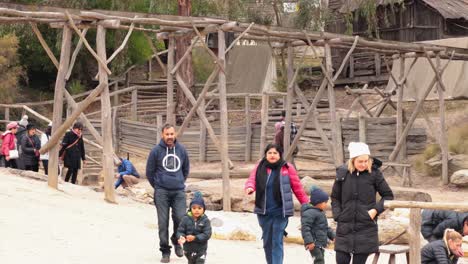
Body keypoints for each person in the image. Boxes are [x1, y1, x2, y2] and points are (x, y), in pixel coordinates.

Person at [245, 143, 308, 264]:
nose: (272, 155)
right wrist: (249, 187)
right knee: (267, 241)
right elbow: (252, 179)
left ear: (280, 155)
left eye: (275, 153)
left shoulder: (287, 168)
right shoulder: (260, 166)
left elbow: (298, 188)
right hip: (264, 211)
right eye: (270, 153)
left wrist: (306, 204)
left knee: (277, 239)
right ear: (266, 154)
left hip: (281, 211)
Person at [331, 142, 394, 264]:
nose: (364, 164)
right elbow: (335, 197)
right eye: (360, 161)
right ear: (353, 160)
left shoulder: (375, 174)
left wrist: (375, 211)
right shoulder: (342, 173)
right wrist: (338, 215)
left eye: (366, 161)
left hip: (365, 227)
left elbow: (388, 196)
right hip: (345, 227)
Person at [146, 124, 190, 263]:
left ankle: (177, 241)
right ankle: (165, 251)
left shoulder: (182, 150)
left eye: (172, 134)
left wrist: (179, 182)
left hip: (178, 191)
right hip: (162, 192)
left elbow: (186, 169)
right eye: (167, 134)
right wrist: (159, 186)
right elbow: (149, 172)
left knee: (181, 218)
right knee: (163, 223)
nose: (170, 137)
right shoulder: (155, 151)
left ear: (175, 134)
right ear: (162, 135)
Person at [301, 186, 336, 264]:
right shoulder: (309, 213)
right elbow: (305, 228)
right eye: (325, 202)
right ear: (318, 202)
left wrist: (333, 236)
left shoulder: (320, 212)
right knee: (319, 260)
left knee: (320, 259)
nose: (326, 204)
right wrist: (309, 242)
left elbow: (325, 228)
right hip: (314, 243)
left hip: (320, 243)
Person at [177, 191, 212, 264]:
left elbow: (207, 234)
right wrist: (181, 237)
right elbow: (180, 231)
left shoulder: (205, 220)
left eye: (199, 208)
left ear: (203, 209)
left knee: (200, 262)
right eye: (194, 208)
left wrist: (195, 238)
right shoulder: (185, 219)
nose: (197, 210)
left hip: (201, 249)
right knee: (191, 262)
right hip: (188, 249)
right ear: (190, 208)